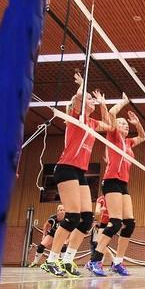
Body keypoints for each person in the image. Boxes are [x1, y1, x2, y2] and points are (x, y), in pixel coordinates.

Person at [41, 73, 113, 277]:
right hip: (66, 168)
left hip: (80, 172)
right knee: (72, 217)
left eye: (91, 99)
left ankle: (67, 260)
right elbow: (75, 101)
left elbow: (109, 126)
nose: (91, 100)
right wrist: (82, 88)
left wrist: (102, 104)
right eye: (89, 99)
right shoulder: (75, 117)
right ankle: (51, 260)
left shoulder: (91, 123)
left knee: (87, 219)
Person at [86, 97, 145, 277]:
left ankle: (118, 262)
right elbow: (111, 113)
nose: (125, 126)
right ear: (115, 126)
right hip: (111, 181)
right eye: (122, 124)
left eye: (126, 125)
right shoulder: (112, 135)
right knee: (115, 222)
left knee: (129, 224)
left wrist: (137, 123)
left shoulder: (128, 143)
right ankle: (95, 260)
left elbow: (143, 137)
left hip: (123, 184)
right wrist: (123, 102)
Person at [90, 195, 113, 265]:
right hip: (103, 223)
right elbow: (97, 212)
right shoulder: (101, 199)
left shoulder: (114, 197)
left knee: (102, 244)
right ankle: (101, 262)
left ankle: (113, 261)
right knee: (100, 244)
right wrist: (101, 209)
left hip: (112, 223)